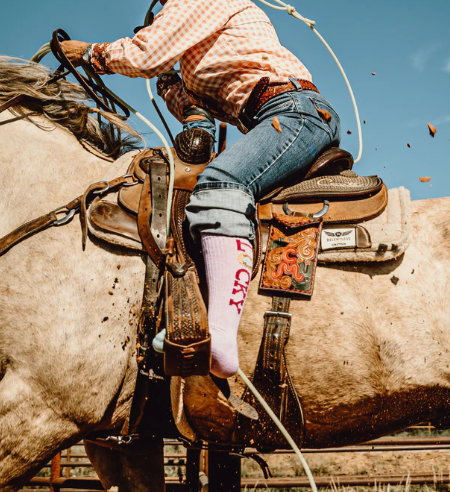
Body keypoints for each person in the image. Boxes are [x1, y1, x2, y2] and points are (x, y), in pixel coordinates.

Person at [62, 0, 341, 379]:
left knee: (221, 186)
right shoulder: (202, 47)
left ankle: (220, 337)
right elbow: (197, 111)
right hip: (274, 115)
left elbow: (146, 54)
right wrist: (174, 90)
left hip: (292, 112)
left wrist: (90, 54)